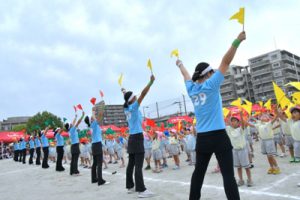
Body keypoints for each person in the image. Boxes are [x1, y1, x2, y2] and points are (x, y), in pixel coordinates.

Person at [176, 31, 246, 200]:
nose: (215, 74)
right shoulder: (211, 84)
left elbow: (186, 75)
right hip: (219, 136)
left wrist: (180, 64)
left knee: (198, 174)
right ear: (207, 74)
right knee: (228, 176)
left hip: (203, 138)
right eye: (212, 72)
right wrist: (238, 40)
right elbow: (226, 61)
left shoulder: (192, 89)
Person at [124, 75, 155, 198]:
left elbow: (128, 98)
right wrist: (151, 82)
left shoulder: (126, 108)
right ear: (132, 99)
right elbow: (143, 93)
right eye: (134, 97)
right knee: (138, 165)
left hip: (132, 138)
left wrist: (124, 92)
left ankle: (130, 186)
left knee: (131, 163)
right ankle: (141, 190)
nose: (136, 97)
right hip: (136, 137)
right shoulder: (134, 106)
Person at [84, 104, 109, 186]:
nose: (92, 118)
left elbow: (97, 117)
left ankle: (94, 179)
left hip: (94, 145)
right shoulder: (94, 124)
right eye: (91, 118)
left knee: (95, 163)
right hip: (97, 144)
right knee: (99, 163)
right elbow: (97, 117)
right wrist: (93, 111)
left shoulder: (91, 125)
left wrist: (94, 111)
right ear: (90, 119)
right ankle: (100, 180)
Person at [227, 113, 253, 187]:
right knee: (238, 167)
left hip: (242, 150)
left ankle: (249, 180)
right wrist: (228, 116)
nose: (233, 122)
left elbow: (243, 123)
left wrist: (241, 114)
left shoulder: (241, 129)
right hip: (234, 150)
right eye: (232, 121)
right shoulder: (229, 129)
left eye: (235, 121)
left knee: (246, 166)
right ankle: (241, 180)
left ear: (238, 123)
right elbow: (226, 122)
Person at [66, 111, 85, 176]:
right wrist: (82, 116)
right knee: (75, 159)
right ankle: (75, 172)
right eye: (71, 124)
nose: (72, 123)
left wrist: (75, 117)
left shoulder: (71, 130)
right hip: (75, 145)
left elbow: (74, 122)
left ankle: (72, 172)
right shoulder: (73, 129)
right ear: (71, 126)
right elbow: (77, 123)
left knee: (73, 159)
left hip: (73, 145)